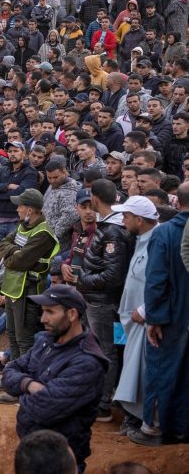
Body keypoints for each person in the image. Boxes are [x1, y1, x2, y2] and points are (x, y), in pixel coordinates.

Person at [2, 285, 109, 473]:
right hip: (32, 450)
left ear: (72, 314)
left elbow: (44, 409)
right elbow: (9, 371)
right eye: (43, 312)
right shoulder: (46, 340)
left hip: (61, 460)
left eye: (50, 312)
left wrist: (22, 393)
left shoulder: (87, 362)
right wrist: (30, 385)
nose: (43, 319)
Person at [130, 182, 189, 445]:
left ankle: (154, 427)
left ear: (177, 203)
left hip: (172, 315)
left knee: (162, 369)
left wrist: (154, 318)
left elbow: (156, 281)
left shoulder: (165, 233)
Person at [73, 179, 134, 422]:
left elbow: (112, 275)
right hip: (95, 298)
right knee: (94, 349)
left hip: (103, 300)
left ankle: (103, 405)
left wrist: (83, 281)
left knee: (104, 351)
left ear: (96, 199)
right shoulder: (109, 225)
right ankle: (95, 398)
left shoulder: (113, 230)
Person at [0, 189, 60, 375]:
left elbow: (19, 261)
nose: (17, 209)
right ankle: (12, 374)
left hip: (28, 290)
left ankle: (22, 378)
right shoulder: (23, 226)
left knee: (24, 338)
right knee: (12, 334)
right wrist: (15, 252)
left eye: (20, 206)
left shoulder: (43, 233)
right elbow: (3, 244)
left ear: (30, 209)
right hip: (13, 288)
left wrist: (12, 257)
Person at [113, 195, 159, 436]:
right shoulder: (141, 239)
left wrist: (145, 310)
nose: (123, 220)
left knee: (142, 372)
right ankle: (133, 417)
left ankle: (148, 423)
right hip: (131, 321)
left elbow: (165, 281)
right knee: (131, 370)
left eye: (126, 216)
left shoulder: (158, 241)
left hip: (147, 322)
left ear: (140, 220)